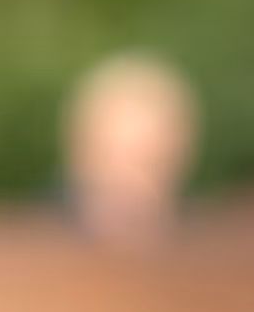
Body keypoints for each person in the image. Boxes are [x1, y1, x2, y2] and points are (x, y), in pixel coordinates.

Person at [62, 52, 199, 249]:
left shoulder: (209, 244)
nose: (128, 184)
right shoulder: (32, 242)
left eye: (148, 163)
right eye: (111, 160)